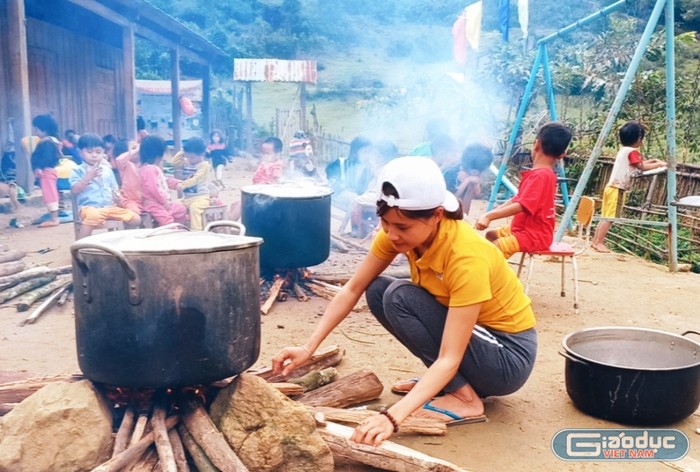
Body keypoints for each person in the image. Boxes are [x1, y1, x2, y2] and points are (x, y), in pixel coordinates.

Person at [272, 156, 537, 447]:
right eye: (385, 223)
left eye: (402, 227)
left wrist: (392, 417)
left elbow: (450, 355)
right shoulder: (398, 231)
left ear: (437, 215)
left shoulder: (466, 256)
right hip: (479, 346)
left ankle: (464, 397)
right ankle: (448, 384)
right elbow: (353, 289)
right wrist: (308, 348)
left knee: (401, 297)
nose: (391, 234)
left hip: (506, 357)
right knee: (378, 289)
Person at [475, 122, 573, 259]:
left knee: (496, 247)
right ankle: (494, 269)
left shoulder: (542, 176)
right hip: (523, 229)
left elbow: (522, 205)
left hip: (534, 235)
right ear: (563, 154)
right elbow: (518, 198)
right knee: (491, 236)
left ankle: (493, 273)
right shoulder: (539, 174)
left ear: (536, 144)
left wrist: (489, 216)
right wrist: (491, 213)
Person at [590, 121, 666, 253]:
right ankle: (599, 243)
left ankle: (595, 241)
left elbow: (637, 163)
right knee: (610, 218)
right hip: (618, 189)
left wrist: (654, 161)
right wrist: (659, 165)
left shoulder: (624, 151)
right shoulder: (633, 151)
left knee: (605, 216)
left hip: (611, 187)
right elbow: (641, 166)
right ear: (639, 139)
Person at [69, 133, 141, 239]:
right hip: (89, 208)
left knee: (135, 219)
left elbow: (114, 188)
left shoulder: (107, 170)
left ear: (104, 153)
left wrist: (117, 197)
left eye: (98, 152)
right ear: (80, 153)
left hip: (110, 207)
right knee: (94, 216)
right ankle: (80, 246)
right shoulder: (77, 170)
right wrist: (87, 178)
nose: (94, 155)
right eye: (89, 152)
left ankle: (121, 240)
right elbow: (74, 190)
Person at [227, 136, 284, 221]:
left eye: (268, 153)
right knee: (235, 204)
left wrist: (265, 186)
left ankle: (227, 223)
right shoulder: (265, 163)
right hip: (255, 191)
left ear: (277, 153)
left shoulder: (276, 166)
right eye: (263, 153)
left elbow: (276, 182)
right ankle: (226, 223)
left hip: (263, 195)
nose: (264, 156)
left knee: (240, 205)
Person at [139, 135, 187, 226]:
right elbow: (154, 189)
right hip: (154, 204)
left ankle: (179, 230)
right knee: (166, 220)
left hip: (164, 203)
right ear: (158, 155)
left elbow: (164, 181)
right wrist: (164, 202)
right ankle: (170, 234)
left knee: (181, 209)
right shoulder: (149, 170)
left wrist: (179, 183)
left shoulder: (155, 168)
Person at [172, 137, 214, 231]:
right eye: (187, 157)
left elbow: (196, 179)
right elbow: (174, 162)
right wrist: (185, 150)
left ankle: (196, 232)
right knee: (175, 206)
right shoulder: (187, 163)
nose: (189, 159)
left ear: (202, 154)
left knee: (195, 209)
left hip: (201, 197)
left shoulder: (204, 165)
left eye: (192, 157)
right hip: (186, 198)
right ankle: (178, 230)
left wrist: (182, 185)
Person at [450, 143, 494, 216]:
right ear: (475, 172)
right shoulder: (452, 173)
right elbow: (451, 196)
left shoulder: (472, 176)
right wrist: (467, 181)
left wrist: (474, 184)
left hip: (459, 215)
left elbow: (476, 194)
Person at [30, 136, 61, 228]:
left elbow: (46, 157)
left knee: (50, 194)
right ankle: (53, 217)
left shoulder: (47, 142)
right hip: (49, 169)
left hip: (45, 170)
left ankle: (54, 219)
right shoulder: (53, 140)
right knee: (51, 193)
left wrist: (39, 167)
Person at [113, 139, 142, 216]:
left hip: (143, 200)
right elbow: (119, 159)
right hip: (129, 200)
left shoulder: (142, 165)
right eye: (133, 148)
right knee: (134, 213)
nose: (138, 150)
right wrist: (137, 149)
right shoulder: (125, 165)